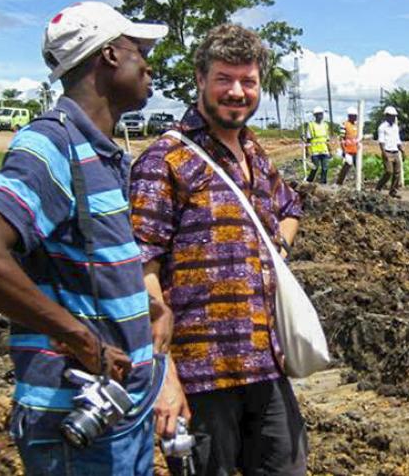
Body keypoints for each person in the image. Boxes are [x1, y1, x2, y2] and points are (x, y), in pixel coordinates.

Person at [0, 1, 177, 475]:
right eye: (139, 50)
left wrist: (146, 307)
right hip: (74, 418)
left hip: (118, 414)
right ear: (109, 56)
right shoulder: (50, 145)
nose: (148, 64)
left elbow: (85, 260)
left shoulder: (105, 155)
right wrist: (82, 340)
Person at [130, 23, 307, 476]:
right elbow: (140, 273)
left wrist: (276, 259)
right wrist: (164, 379)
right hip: (200, 380)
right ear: (200, 80)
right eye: (224, 79)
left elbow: (290, 208)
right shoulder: (164, 160)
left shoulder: (256, 154)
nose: (237, 91)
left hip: (268, 368)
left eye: (248, 81)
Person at [376, 105, 404, 198]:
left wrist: (402, 150)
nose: (393, 117)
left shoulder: (395, 127)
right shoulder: (382, 127)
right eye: (391, 116)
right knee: (389, 172)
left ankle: (393, 191)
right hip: (387, 151)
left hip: (395, 151)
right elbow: (381, 141)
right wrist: (384, 153)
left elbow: (397, 140)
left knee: (397, 173)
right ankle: (378, 188)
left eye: (394, 116)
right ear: (387, 116)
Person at [304, 106, 331, 184]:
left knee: (325, 168)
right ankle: (309, 181)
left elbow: (327, 139)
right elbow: (308, 140)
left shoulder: (325, 125)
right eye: (318, 114)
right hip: (315, 151)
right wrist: (307, 151)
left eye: (321, 114)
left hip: (324, 150)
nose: (320, 116)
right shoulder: (311, 125)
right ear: (315, 116)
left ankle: (323, 183)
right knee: (315, 168)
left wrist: (330, 150)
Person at [335, 106, 359, 185]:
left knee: (358, 166)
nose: (355, 117)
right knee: (348, 165)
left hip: (356, 149)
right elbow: (342, 138)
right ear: (350, 116)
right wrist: (344, 150)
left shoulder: (356, 125)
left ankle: (359, 182)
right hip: (347, 150)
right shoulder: (344, 125)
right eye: (354, 116)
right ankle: (339, 181)